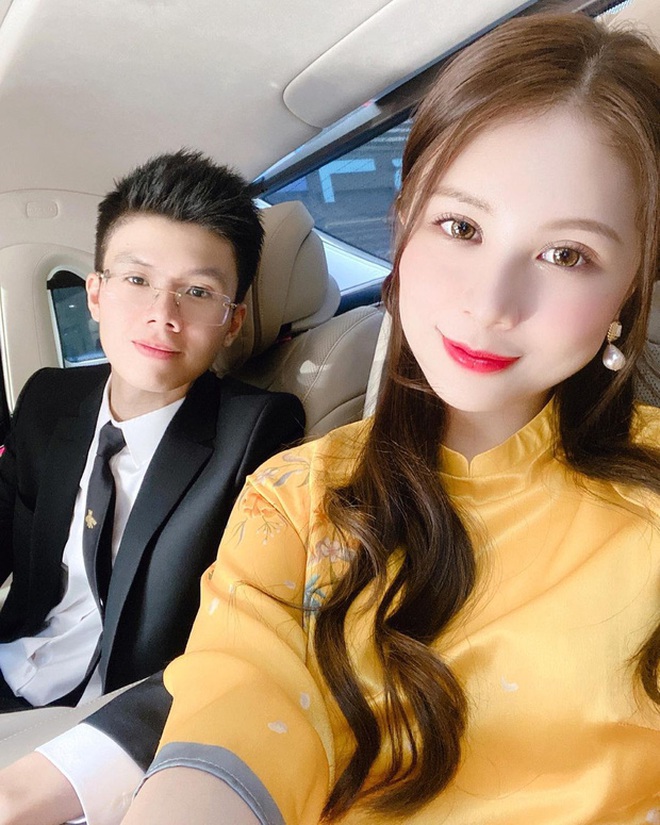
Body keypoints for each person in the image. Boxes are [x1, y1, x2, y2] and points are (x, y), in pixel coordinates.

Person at [116, 12, 660, 825]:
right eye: (461, 227)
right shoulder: (295, 498)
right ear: (403, 224)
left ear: (630, 287)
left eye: (567, 254)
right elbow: (236, 710)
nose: (491, 304)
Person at [0, 152, 304, 812]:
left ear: (233, 319)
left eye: (198, 292)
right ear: (96, 294)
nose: (163, 315)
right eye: (137, 279)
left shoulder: (258, 431)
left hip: (118, 721)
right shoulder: (49, 398)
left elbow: (247, 642)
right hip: (11, 673)